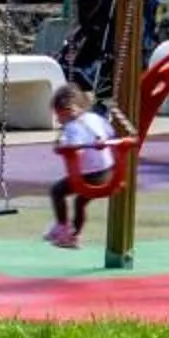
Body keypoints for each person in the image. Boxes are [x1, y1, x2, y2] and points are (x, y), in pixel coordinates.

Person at [44, 83, 115, 250]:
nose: (57, 119)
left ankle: (62, 226)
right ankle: (74, 236)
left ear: (68, 111)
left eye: (58, 115)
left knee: (57, 191)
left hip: (88, 177)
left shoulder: (73, 126)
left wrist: (61, 146)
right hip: (109, 173)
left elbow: (75, 148)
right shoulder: (95, 118)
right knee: (80, 202)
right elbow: (110, 132)